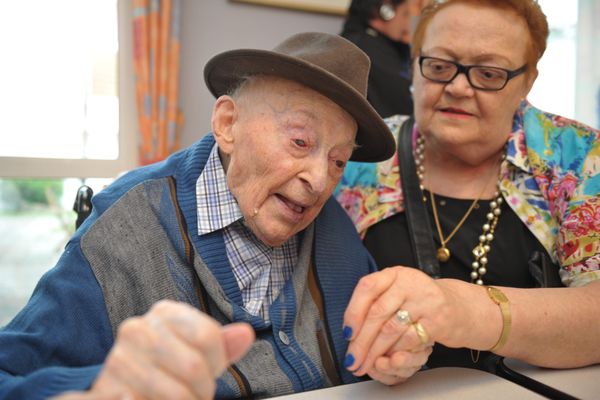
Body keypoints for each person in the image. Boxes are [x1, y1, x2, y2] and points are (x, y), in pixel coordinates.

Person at [0, 32, 412, 399]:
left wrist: (397, 355)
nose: (320, 180)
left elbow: (374, 352)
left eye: (338, 161)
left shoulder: (333, 231)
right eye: (300, 141)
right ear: (227, 123)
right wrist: (103, 385)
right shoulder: (127, 228)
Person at [336, 0, 600, 381]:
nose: (458, 87)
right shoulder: (361, 156)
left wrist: (467, 311)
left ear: (527, 81)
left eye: (489, 73)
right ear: (413, 64)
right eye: (440, 67)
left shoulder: (577, 159)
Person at [340, 0, 414, 117]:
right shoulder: (366, 52)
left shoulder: (358, 41)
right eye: (405, 14)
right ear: (386, 11)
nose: (408, 23)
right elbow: (407, 104)